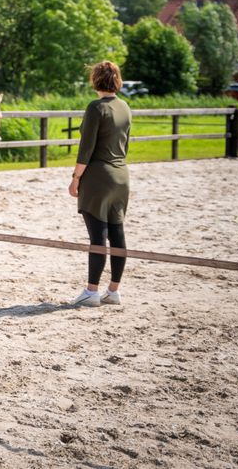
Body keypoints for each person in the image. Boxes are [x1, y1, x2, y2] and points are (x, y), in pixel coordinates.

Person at [68, 61, 132, 308]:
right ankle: (113, 290)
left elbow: (86, 149)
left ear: (95, 80)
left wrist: (76, 178)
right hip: (121, 176)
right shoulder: (125, 107)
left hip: (98, 177)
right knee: (117, 234)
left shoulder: (95, 108)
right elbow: (125, 146)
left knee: (98, 236)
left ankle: (91, 291)